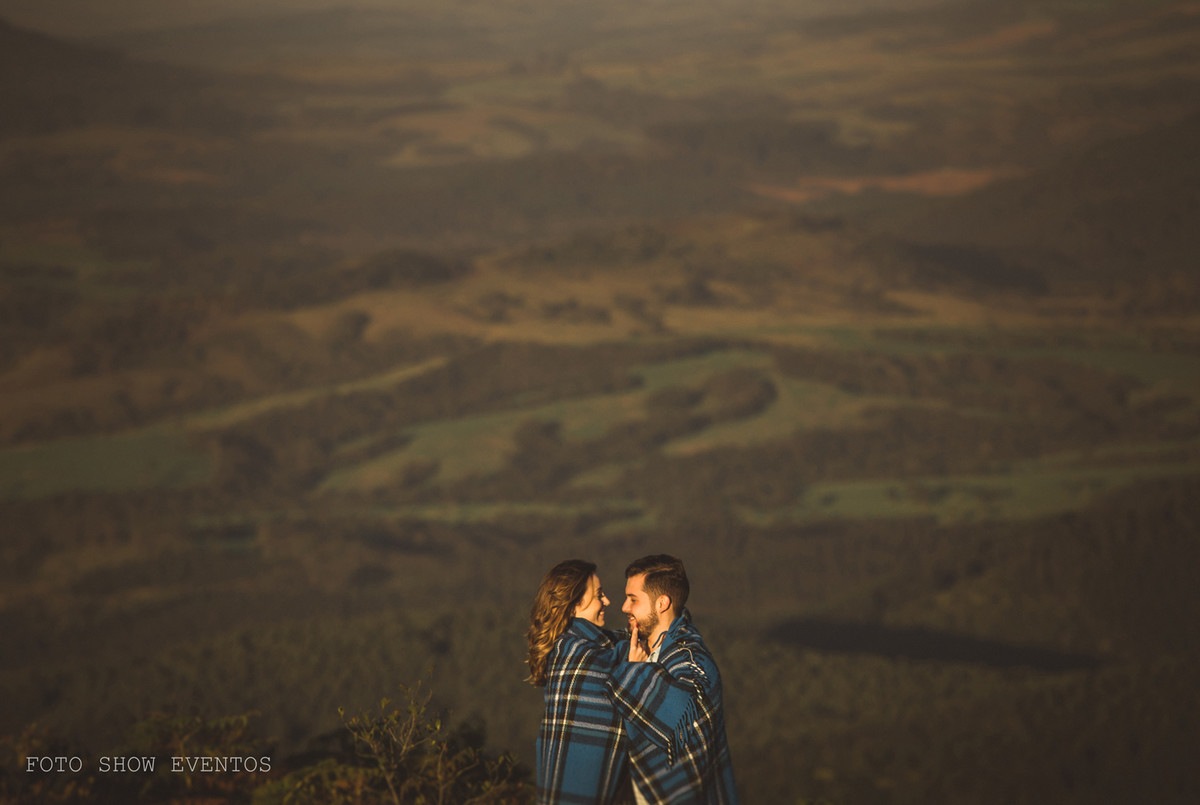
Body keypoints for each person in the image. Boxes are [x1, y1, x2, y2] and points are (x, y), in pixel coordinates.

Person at [606, 555, 739, 805]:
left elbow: (684, 720)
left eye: (633, 599)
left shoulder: (693, 661)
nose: (624, 607)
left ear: (662, 603)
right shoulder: (631, 647)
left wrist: (635, 673)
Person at [528, 559, 632, 805]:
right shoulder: (576, 653)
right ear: (574, 604)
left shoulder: (593, 646)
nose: (607, 601)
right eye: (599, 595)